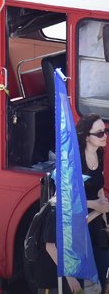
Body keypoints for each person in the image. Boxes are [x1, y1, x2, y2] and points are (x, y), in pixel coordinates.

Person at [77, 114, 109, 288]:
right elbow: (63, 198)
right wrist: (95, 206)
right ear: (86, 137)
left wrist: (104, 216)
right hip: (80, 221)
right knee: (83, 276)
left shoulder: (100, 153)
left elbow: (99, 187)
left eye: (105, 131)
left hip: (96, 220)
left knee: (103, 268)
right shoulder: (76, 160)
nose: (105, 136)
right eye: (99, 133)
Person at [30, 194, 83, 294]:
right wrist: (69, 276)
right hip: (49, 277)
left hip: (57, 274)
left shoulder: (62, 208)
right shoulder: (54, 211)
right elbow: (50, 247)